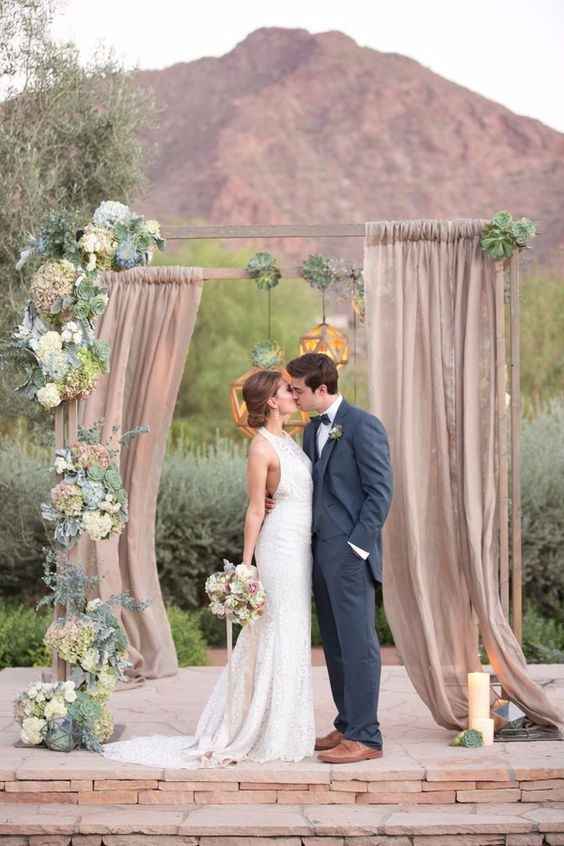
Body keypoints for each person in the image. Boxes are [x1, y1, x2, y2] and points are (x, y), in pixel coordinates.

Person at [101, 369, 316, 768]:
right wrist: (246, 568)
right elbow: (254, 509)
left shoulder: (289, 439)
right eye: (288, 390)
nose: (293, 394)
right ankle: (260, 728)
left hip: (302, 548)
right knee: (275, 632)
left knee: (293, 632)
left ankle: (284, 724)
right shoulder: (261, 448)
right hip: (280, 549)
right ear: (271, 400)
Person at [285, 352, 393, 764]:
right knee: (333, 643)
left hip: (350, 555)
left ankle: (367, 736)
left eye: (298, 390)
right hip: (318, 553)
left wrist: (357, 548)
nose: (293, 396)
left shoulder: (364, 426)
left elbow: (380, 492)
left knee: (359, 643)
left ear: (321, 389)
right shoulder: (312, 430)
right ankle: (348, 723)